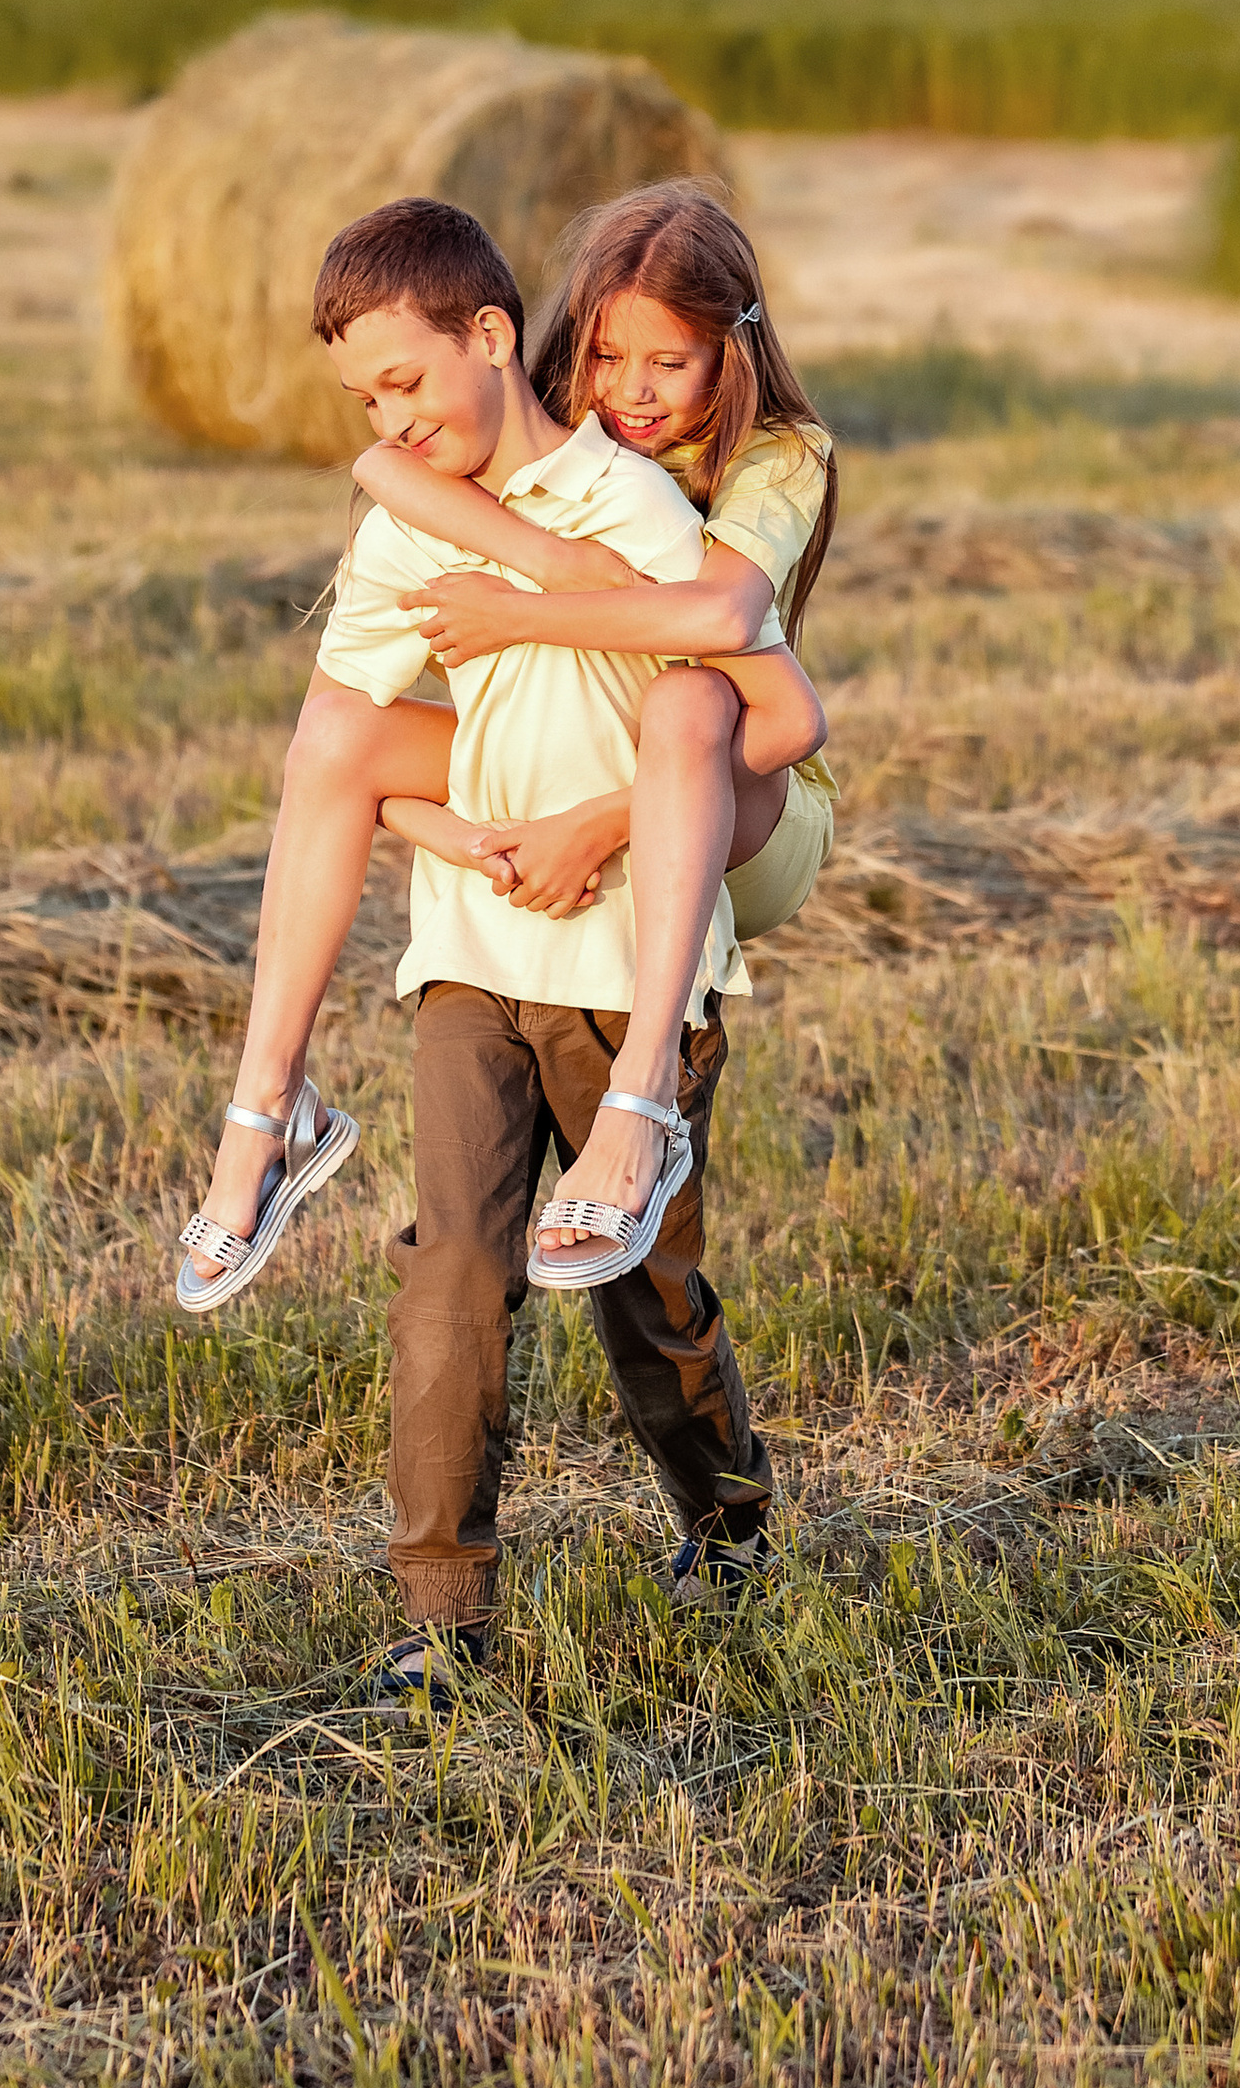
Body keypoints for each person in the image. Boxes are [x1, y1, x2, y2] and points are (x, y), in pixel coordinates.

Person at [178, 192, 775, 1706]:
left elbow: (731, 717)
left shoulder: (627, 504)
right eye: (362, 400)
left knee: (648, 1300)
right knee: (450, 1274)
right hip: (470, 958)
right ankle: (443, 1627)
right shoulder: (396, 527)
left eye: (404, 382)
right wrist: (466, 845)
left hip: (629, 969)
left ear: (492, 337)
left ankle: (728, 1515)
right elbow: (351, 749)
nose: (385, 418)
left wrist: (584, 810)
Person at [179, 182, 837, 1298]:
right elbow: (386, 465)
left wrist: (538, 617)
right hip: (593, 759)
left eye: (666, 366)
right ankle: (270, 1104)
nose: (629, 396)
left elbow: (730, 634)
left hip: (745, 787)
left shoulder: (778, 456)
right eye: (604, 360)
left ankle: (639, 1104)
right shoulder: (531, 417)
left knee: (686, 704)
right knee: (338, 733)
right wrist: (462, 829)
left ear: (730, 355)